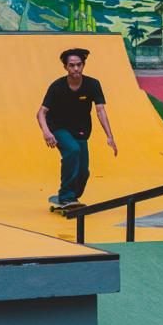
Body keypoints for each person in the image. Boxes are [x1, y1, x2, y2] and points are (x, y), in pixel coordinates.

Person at [37, 48, 117, 208]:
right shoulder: (57, 86)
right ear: (65, 67)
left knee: (83, 172)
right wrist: (46, 132)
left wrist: (110, 136)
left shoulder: (93, 84)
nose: (75, 69)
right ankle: (66, 195)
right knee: (72, 150)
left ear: (83, 65)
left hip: (81, 129)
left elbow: (100, 110)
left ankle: (72, 196)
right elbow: (41, 113)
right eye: (71, 65)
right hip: (58, 127)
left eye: (79, 65)